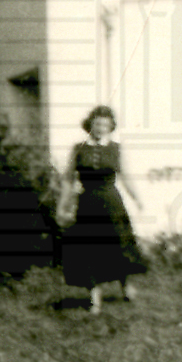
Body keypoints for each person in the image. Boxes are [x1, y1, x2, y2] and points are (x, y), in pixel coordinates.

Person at [58, 106, 145, 313]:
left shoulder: (116, 148)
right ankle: (94, 297)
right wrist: (62, 205)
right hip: (88, 204)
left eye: (106, 125)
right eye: (97, 124)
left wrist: (137, 198)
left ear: (111, 127)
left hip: (112, 203)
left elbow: (126, 175)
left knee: (118, 245)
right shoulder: (78, 149)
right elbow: (68, 180)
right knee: (90, 250)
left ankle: (125, 286)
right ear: (90, 125)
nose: (101, 128)